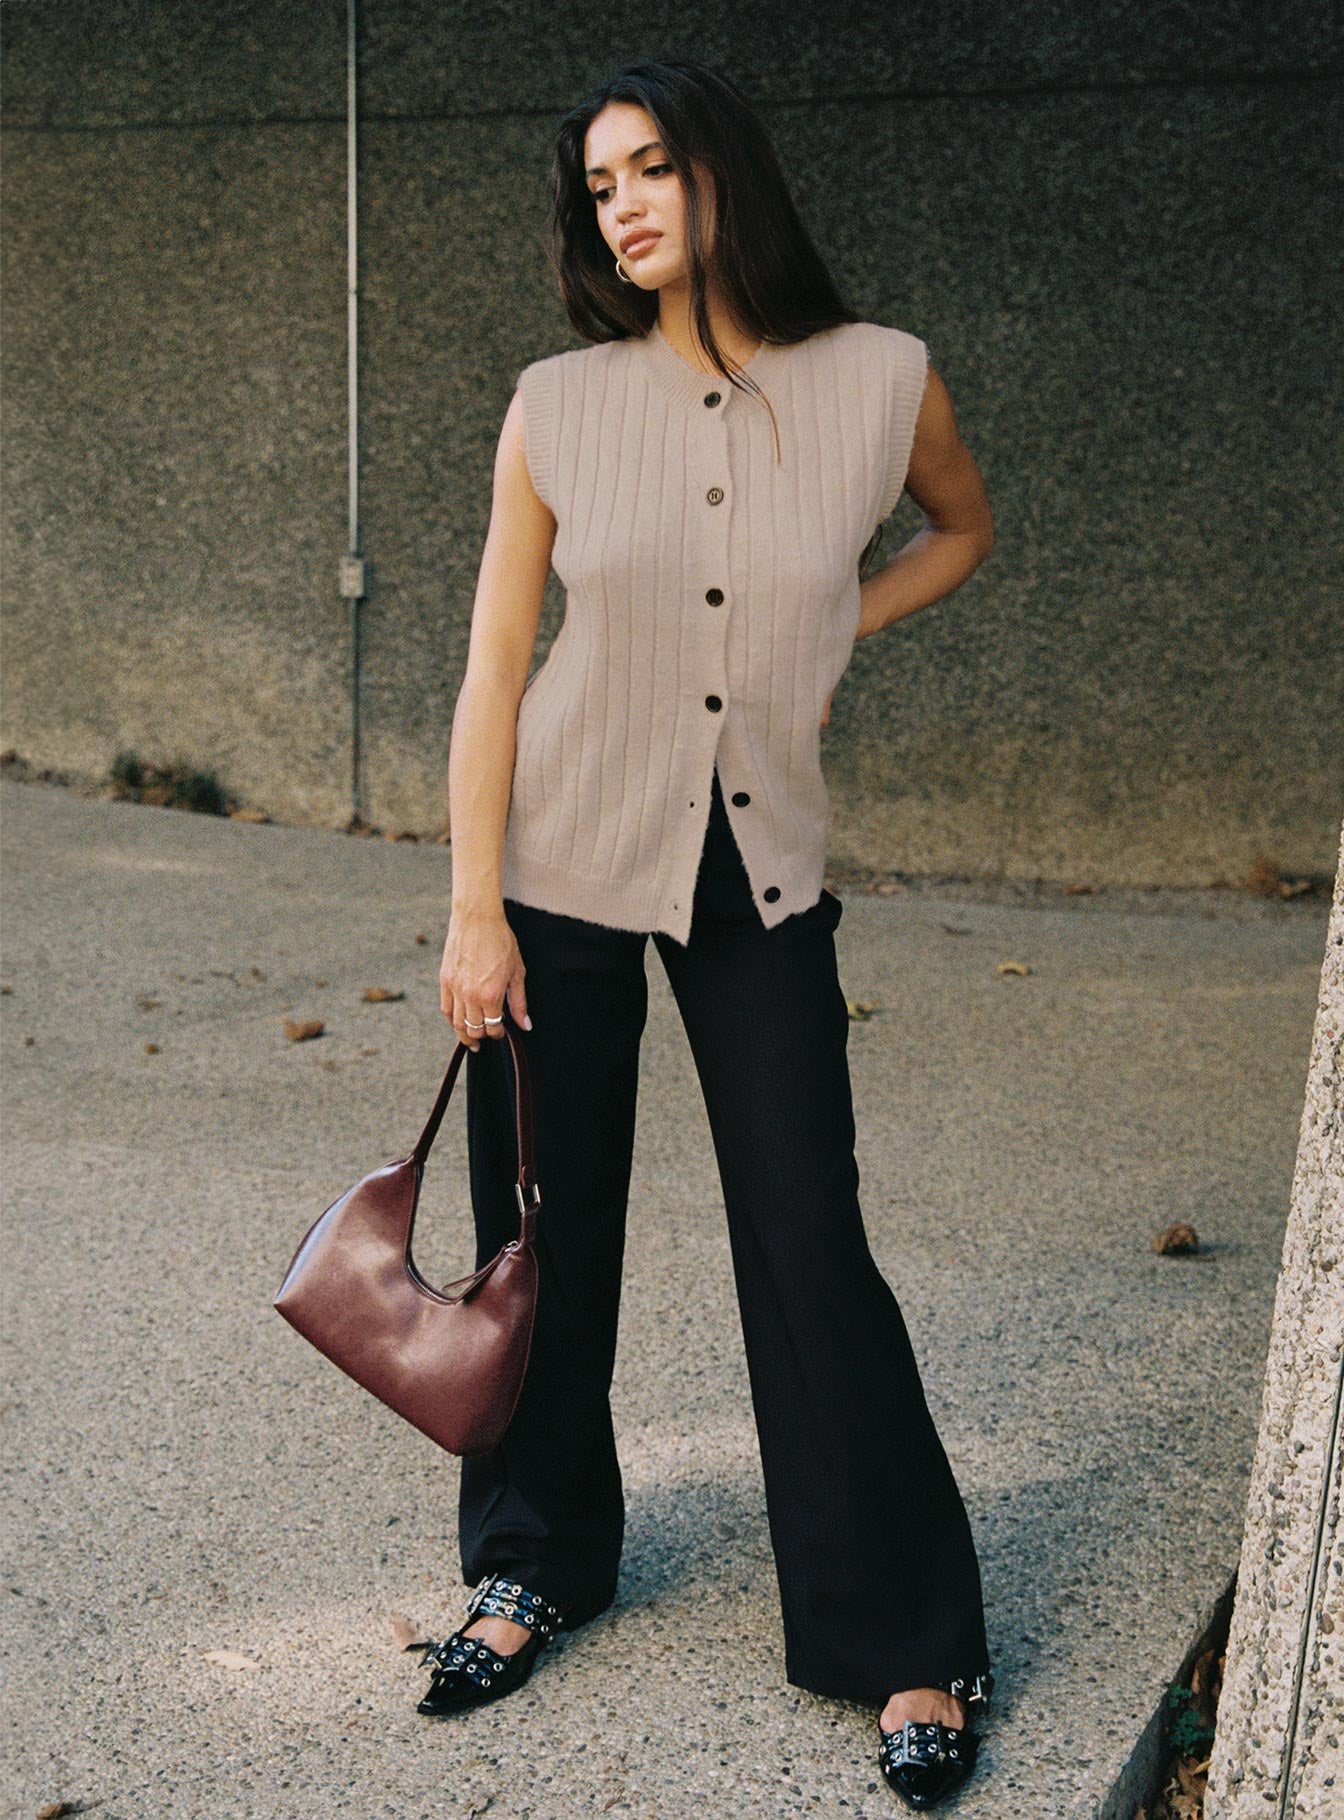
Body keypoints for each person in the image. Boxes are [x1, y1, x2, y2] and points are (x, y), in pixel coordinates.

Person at [426, 57, 997, 1812]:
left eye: (652, 168)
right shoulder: (554, 404)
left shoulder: (881, 377)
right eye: (599, 187)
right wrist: (469, 912)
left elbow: (962, 530)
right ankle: (535, 1559)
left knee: (807, 1237)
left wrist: (839, 625)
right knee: (544, 1232)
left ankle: (900, 1626)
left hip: (760, 876)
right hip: (560, 870)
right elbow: (494, 670)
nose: (626, 206)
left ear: (724, 171)